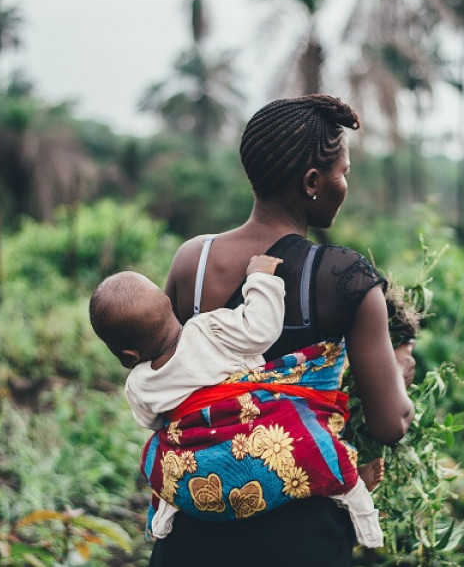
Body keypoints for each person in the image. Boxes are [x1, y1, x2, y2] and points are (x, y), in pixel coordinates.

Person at [151, 94, 415, 566]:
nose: (345, 184)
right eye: (344, 172)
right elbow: (389, 424)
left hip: (194, 524)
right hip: (301, 538)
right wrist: (398, 366)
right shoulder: (345, 277)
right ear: (313, 181)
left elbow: (167, 382)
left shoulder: (194, 259)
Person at [88, 254, 384, 548]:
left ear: (128, 356)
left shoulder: (139, 384)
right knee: (311, 443)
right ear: (168, 304)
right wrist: (260, 277)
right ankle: (356, 499)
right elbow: (261, 329)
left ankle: (165, 511)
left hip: (200, 471)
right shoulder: (208, 329)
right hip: (255, 437)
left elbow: (153, 422)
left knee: (157, 454)